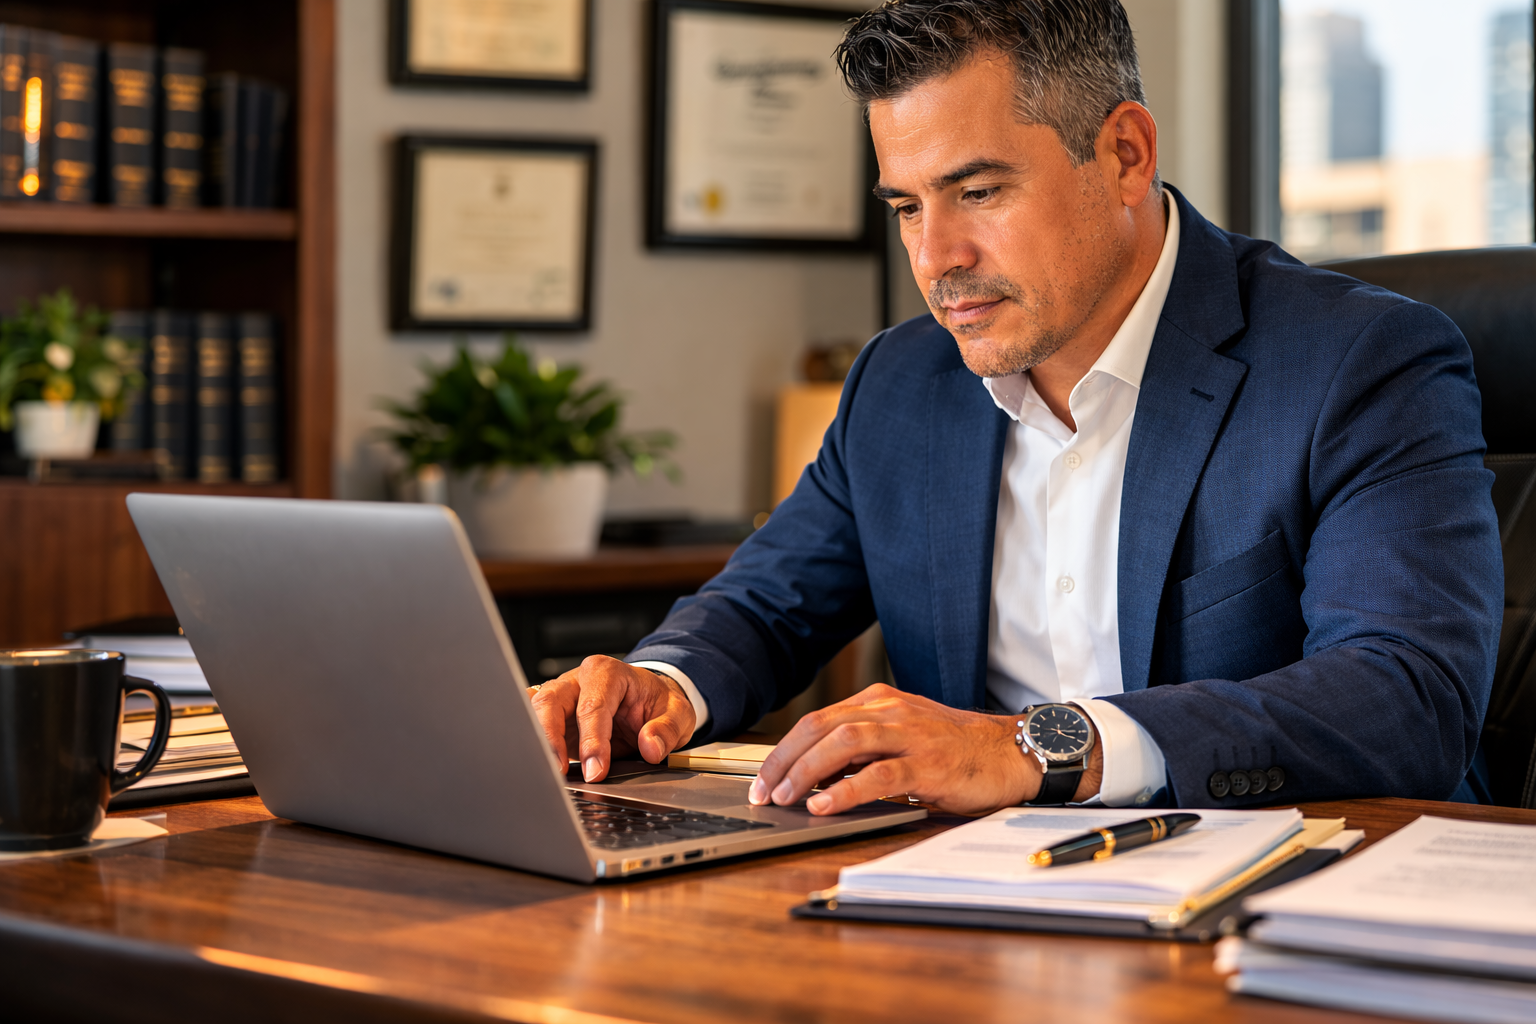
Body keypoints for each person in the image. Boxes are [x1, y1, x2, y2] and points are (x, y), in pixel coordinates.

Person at [529, 0, 1501, 814]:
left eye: (978, 190)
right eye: (907, 207)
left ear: (1124, 154)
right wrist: (659, 687)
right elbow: (764, 606)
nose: (935, 256)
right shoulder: (901, 384)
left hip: (1292, 914)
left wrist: (1039, 747)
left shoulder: (1359, 359)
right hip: (979, 911)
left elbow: (1407, 696)